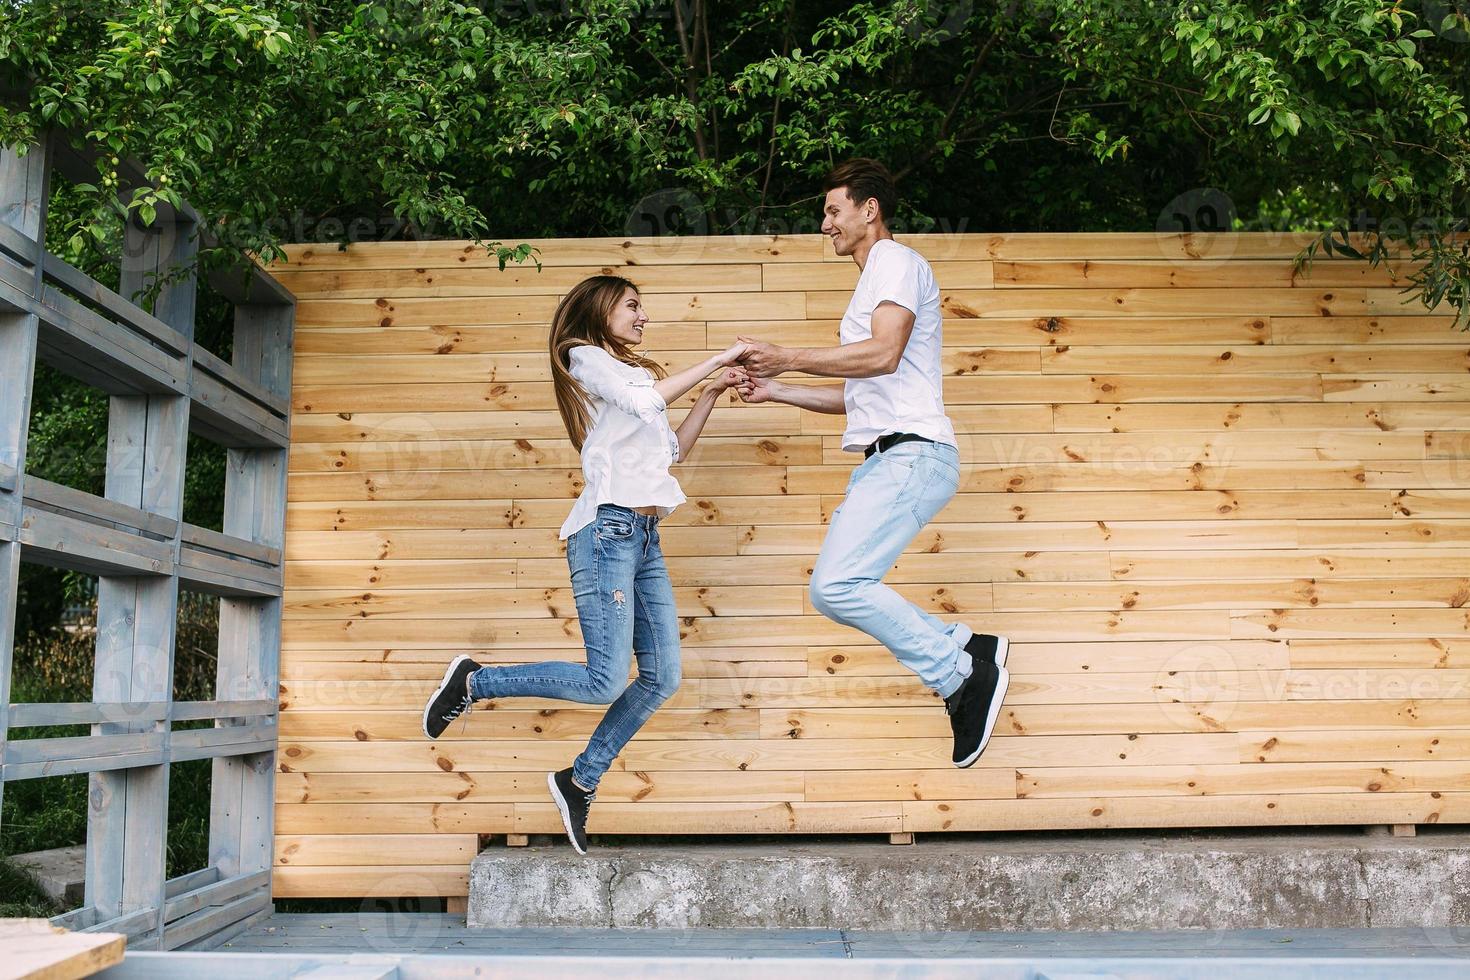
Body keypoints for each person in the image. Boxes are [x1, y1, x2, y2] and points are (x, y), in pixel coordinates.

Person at [422, 274, 747, 854]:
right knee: (604, 680)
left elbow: (669, 452)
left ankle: (579, 779)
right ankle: (474, 680)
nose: (643, 316)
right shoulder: (584, 356)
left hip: (643, 534)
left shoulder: (632, 376)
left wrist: (710, 393)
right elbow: (649, 402)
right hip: (608, 532)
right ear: (601, 310)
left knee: (662, 677)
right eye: (633, 306)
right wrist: (719, 357)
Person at [731, 158, 1010, 768]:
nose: (825, 223)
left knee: (836, 584)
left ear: (869, 209)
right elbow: (859, 393)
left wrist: (787, 357)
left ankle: (961, 674)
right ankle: (968, 646)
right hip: (889, 456)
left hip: (912, 455)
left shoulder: (895, 262)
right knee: (834, 590)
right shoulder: (872, 282)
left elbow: (882, 355)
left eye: (833, 210)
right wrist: (776, 389)